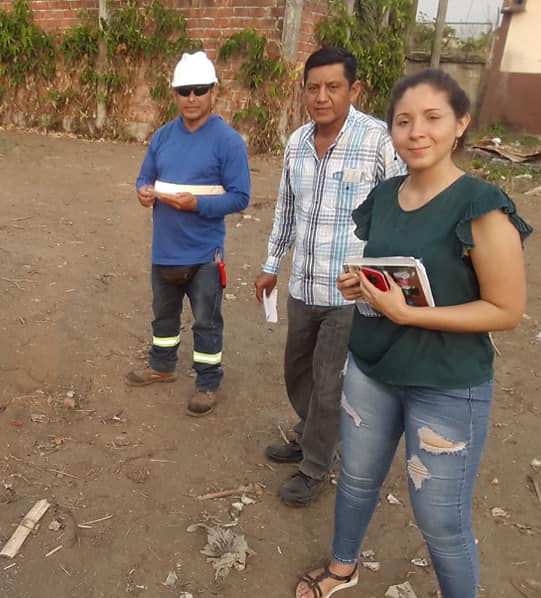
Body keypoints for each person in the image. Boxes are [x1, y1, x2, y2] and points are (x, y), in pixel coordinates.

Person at [293, 69, 530, 598]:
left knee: (441, 521)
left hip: (447, 388)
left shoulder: (482, 206)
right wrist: (362, 288)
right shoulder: (384, 196)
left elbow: (506, 309)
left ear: (460, 125)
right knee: (356, 480)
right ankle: (343, 566)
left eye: (432, 118)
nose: (416, 131)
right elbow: (388, 278)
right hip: (373, 369)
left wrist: (410, 315)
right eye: (403, 120)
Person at [253, 47, 403, 506]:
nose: (321, 97)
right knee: (297, 370)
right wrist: (271, 265)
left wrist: (384, 282)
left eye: (333, 87)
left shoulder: (378, 141)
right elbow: (286, 209)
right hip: (303, 284)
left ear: (353, 89)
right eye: (313, 88)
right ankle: (311, 434)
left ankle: (316, 464)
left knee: (330, 381)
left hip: (349, 293)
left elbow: (399, 211)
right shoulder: (297, 142)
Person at [129, 51, 250, 417]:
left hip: (204, 254)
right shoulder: (163, 137)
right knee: (163, 316)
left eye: (199, 90)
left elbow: (240, 197)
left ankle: (208, 382)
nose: (192, 98)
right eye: (184, 91)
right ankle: (162, 365)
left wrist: (196, 204)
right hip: (165, 250)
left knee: (206, 321)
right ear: (175, 94)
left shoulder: (228, 142)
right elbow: (144, 177)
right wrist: (143, 192)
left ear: (214, 91)